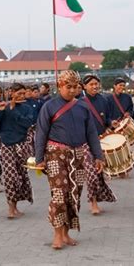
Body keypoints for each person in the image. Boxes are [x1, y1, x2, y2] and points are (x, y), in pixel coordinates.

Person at [35, 70, 105, 249]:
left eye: (75, 87)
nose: (72, 90)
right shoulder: (49, 106)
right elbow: (41, 132)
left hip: (79, 155)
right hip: (55, 155)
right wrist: (39, 159)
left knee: (74, 194)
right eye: (68, 87)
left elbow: (91, 133)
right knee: (59, 194)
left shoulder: (83, 107)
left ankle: (66, 233)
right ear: (59, 86)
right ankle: (57, 234)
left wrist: (98, 156)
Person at [0, 82, 33, 219]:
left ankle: (16, 206)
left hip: (22, 144)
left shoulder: (26, 108)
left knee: (21, 176)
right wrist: (0, 111)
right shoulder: (3, 106)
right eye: (18, 93)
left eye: (23, 94)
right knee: (10, 176)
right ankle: (11, 208)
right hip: (7, 145)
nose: (21, 96)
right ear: (11, 93)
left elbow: (27, 123)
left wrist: (13, 111)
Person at [81, 74, 117, 214]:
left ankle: (98, 197)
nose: (95, 86)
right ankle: (93, 203)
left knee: (99, 172)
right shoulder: (80, 102)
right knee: (91, 173)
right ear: (84, 86)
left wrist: (110, 123)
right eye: (91, 84)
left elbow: (106, 118)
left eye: (96, 84)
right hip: (86, 142)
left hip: (101, 140)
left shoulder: (103, 99)